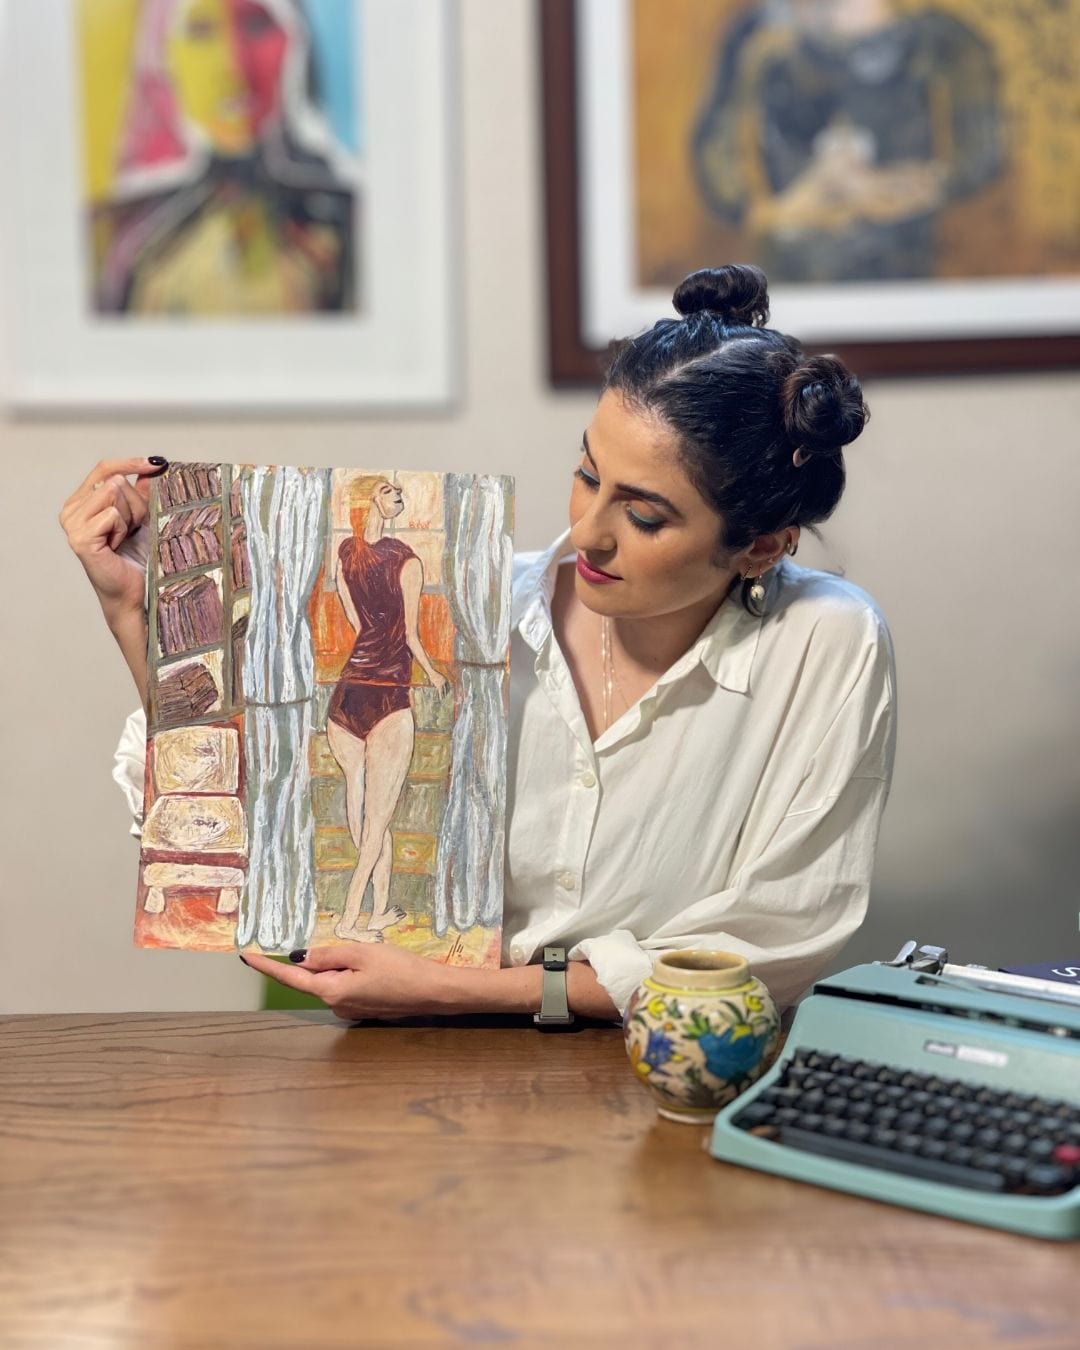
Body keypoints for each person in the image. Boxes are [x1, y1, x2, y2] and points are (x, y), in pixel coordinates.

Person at [61, 264, 895, 1025]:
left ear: (762, 545)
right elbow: (247, 835)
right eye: (587, 473)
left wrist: (460, 988)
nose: (589, 532)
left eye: (644, 516)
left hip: (663, 1074)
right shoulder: (473, 602)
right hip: (404, 1072)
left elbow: (779, 939)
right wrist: (137, 616)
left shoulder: (825, 643)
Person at [326, 477, 448, 943]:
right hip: (387, 693)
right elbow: (411, 635)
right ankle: (348, 922)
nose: (399, 497)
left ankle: (376, 911)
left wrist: (379, 649)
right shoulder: (405, 559)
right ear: (367, 500)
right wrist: (432, 674)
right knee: (376, 820)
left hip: (349, 691)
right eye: (388, 491)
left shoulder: (346, 554)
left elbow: (358, 623)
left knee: (367, 817)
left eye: (401, 491)